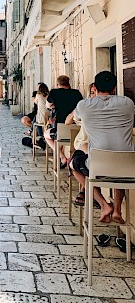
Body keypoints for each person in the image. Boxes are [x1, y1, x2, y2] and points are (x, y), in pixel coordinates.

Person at [69, 71, 135, 223]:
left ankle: (104, 204)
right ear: (114, 89)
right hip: (129, 167)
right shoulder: (127, 103)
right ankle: (118, 210)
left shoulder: (84, 105)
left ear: (94, 88)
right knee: (119, 165)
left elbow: (76, 118)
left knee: (73, 163)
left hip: (98, 168)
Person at [65, 83, 96, 206]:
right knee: (83, 154)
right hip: (83, 142)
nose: (95, 95)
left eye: (95, 92)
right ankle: (89, 191)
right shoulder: (85, 107)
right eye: (92, 93)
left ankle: (88, 191)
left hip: (96, 146)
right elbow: (68, 121)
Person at [44, 75, 83, 168]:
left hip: (60, 129)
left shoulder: (54, 92)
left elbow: (48, 105)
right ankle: (64, 159)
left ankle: (62, 157)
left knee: (46, 135)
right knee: (60, 141)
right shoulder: (76, 93)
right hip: (76, 130)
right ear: (68, 83)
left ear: (58, 84)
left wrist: (54, 105)